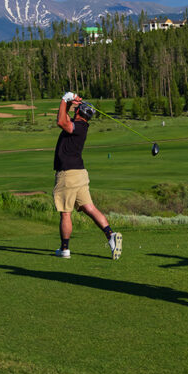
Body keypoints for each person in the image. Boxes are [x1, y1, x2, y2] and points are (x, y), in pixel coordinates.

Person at [52, 92, 122, 260]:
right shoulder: (80, 124)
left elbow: (61, 121)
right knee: (88, 207)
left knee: (65, 212)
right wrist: (69, 102)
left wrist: (63, 99)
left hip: (68, 174)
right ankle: (111, 236)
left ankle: (65, 249)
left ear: (79, 112)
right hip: (80, 174)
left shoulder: (79, 126)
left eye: (76, 109)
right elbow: (65, 118)